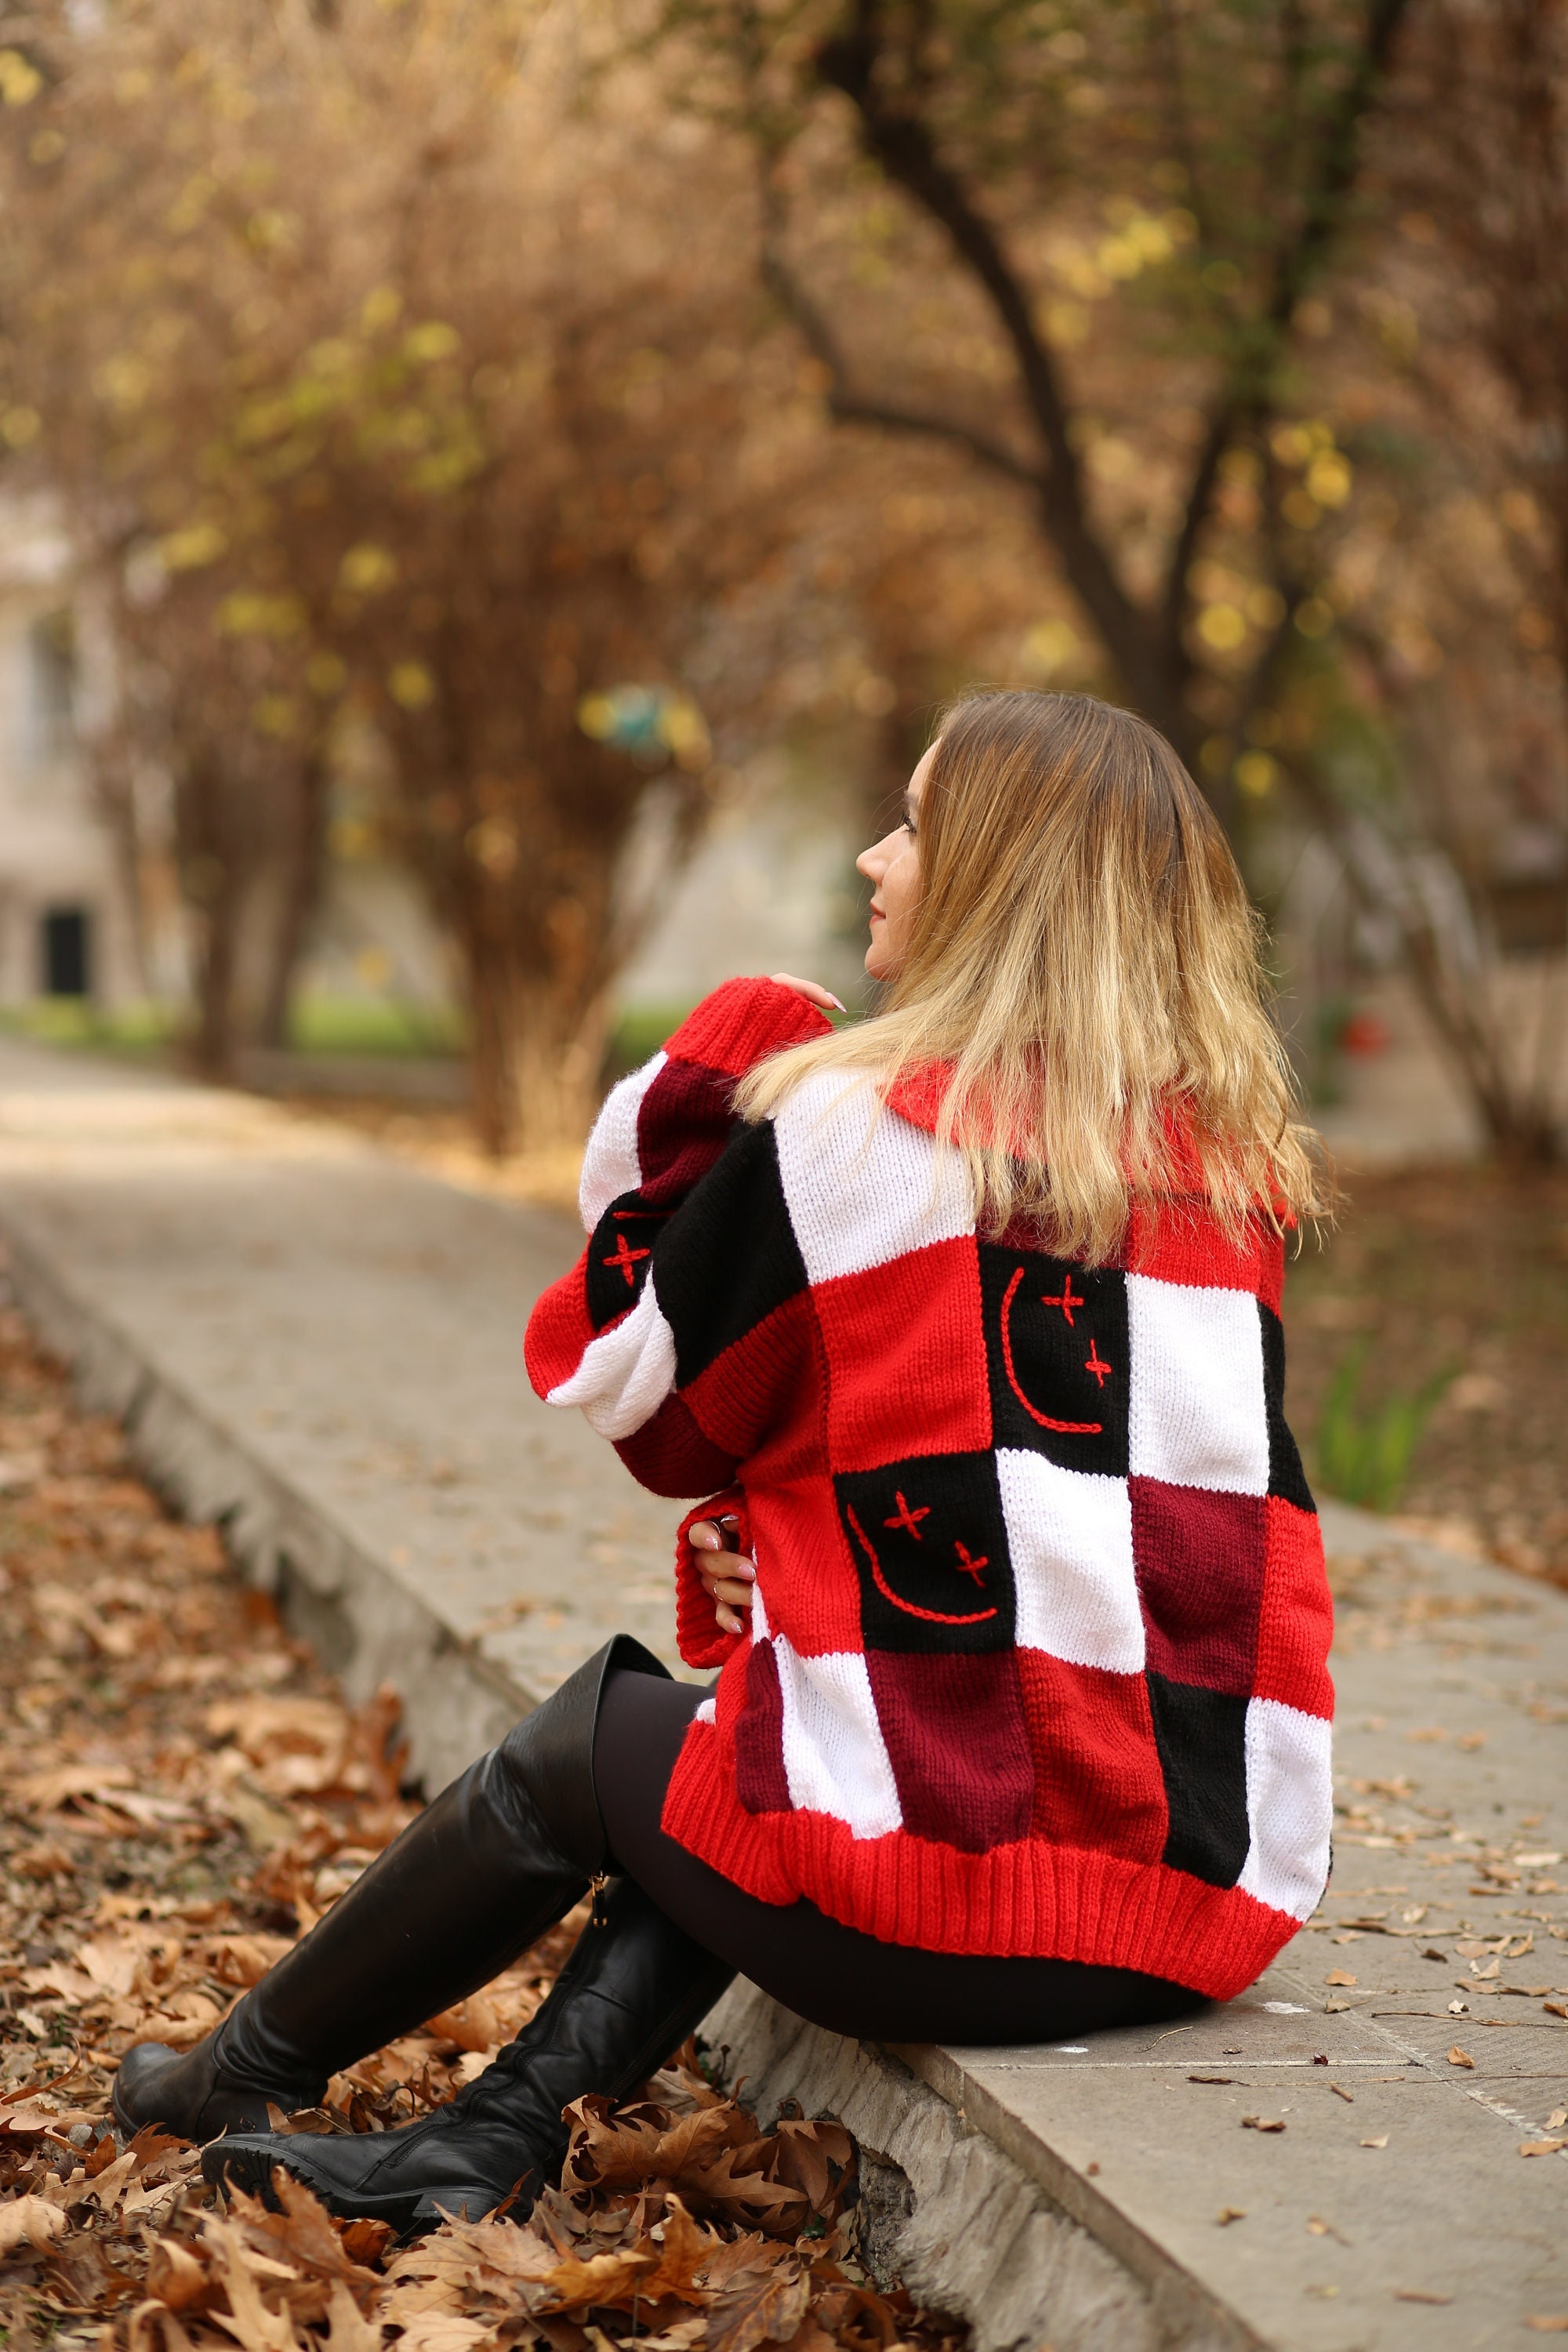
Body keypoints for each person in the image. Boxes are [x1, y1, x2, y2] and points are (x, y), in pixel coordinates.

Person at [113, 689, 1335, 2235]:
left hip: (942, 1914)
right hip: (1199, 1908)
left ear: (990, 873)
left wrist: (721, 1068)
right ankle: (487, 2142)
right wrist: (803, 1539)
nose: (872, 856)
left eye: (912, 823)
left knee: (594, 1738)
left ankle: (235, 2075)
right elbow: (1098, 1515)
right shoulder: (1225, 1179)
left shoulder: (858, 1134)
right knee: (723, 1749)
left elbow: (636, 1394)